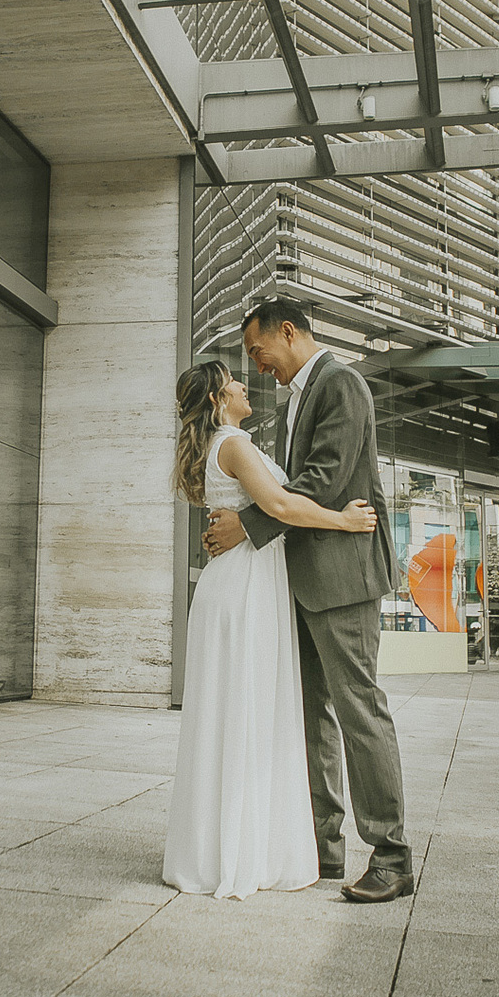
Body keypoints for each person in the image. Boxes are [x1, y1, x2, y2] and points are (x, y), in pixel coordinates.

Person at [203, 298, 413, 903]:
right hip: (303, 581)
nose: (255, 364)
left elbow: (321, 480)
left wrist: (248, 525)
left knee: (357, 708)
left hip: (343, 579)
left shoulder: (340, 384)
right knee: (311, 713)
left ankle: (392, 855)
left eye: (255, 350)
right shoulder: (299, 393)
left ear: (287, 332)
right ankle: (324, 846)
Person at [164, 359, 377, 899]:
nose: (243, 383)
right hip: (245, 587)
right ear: (217, 399)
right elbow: (281, 503)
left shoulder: (224, 443)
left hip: (236, 582)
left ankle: (221, 847)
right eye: (233, 380)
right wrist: (344, 520)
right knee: (250, 714)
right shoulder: (233, 443)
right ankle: (244, 851)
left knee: (233, 715)